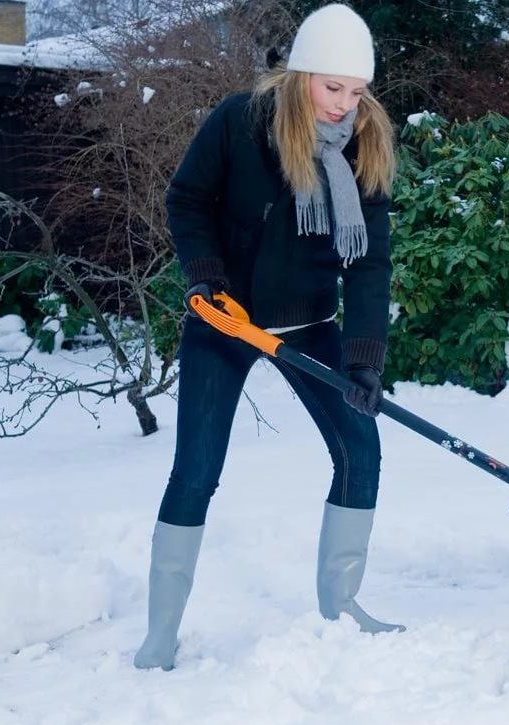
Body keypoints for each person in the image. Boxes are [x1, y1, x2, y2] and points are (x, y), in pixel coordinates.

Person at [135, 3, 401, 672]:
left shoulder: (363, 142)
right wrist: (205, 278)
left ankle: (340, 609)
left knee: (359, 450)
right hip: (225, 320)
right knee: (195, 471)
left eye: (356, 89)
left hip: (309, 324)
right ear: (301, 74)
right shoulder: (241, 121)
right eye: (331, 86)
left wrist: (365, 356)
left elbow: (367, 260)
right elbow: (186, 199)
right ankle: (160, 630)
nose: (344, 104)